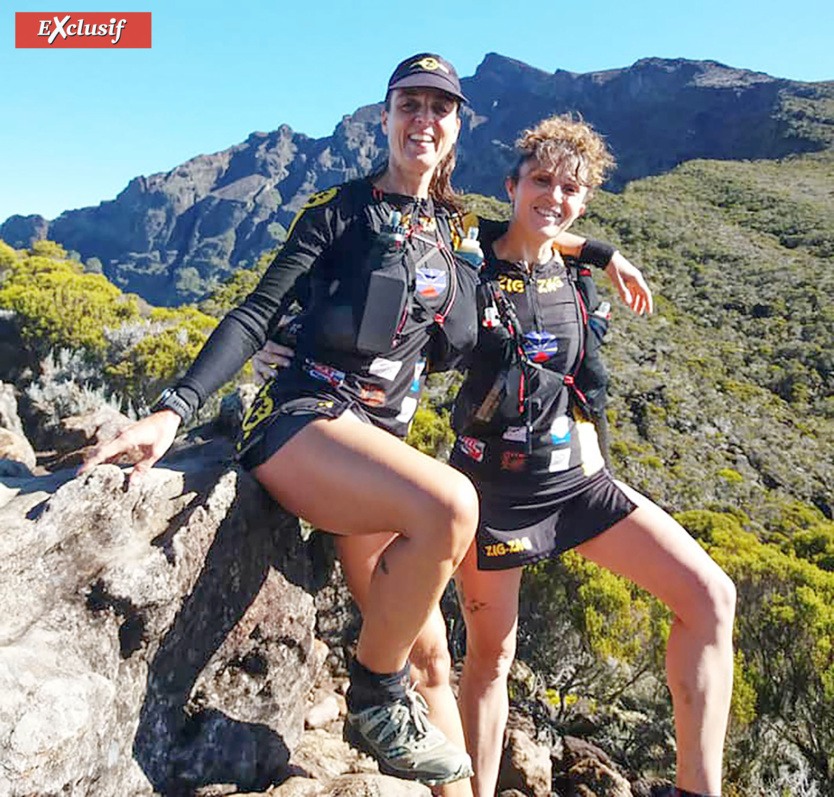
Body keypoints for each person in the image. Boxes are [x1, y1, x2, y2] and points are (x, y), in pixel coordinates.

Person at [258, 116, 735, 797]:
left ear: (587, 198)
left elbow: (554, 236)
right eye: (540, 180)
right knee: (491, 659)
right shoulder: (465, 252)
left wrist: (602, 253)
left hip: (583, 485)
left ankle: (699, 789)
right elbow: (373, 273)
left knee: (711, 596)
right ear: (510, 186)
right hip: (493, 493)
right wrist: (285, 338)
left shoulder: (575, 269)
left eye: (571, 187)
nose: (555, 196)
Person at [81, 52, 486, 788]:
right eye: (410, 104)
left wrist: (593, 250)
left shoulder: (454, 233)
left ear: (456, 127)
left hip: (374, 448)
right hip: (303, 420)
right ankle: (369, 700)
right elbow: (254, 313)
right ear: (387, 116)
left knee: (428, 654)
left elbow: (501, 286)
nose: (424, 119)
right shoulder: (337, 210)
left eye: (440, 107)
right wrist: (173, 411)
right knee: (453, 504)